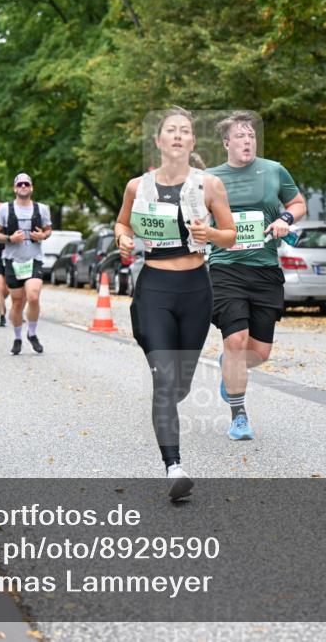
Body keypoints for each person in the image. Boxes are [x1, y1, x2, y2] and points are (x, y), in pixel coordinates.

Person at [114, 106, 235, 500]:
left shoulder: (210, 185)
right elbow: (122, 222)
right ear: (159, 141)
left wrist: (210, 232)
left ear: (193, 142)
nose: (179, 136)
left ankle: (171, 402)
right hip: (154, 289)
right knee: (165, 381)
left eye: (185, 131)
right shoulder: (138, 186)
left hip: (197, 289)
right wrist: (123, 238)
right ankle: (174, 467)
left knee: (179, 383)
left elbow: (231, 235)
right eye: (171, 130)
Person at [206, 111, 307, 441]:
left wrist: (286, 219)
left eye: (251, 135)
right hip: (225, 268)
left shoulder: (273, 170)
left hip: (264, 270)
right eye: (240, 136)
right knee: (236, 340)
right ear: (226, 143)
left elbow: (298, 202)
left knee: (259, 353)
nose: (247, 141)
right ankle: (238, 415)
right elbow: (193, 215)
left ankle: (229, 365)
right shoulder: (210, 178)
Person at [0, 173, 53, 354]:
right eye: (20, 184)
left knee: (33, 296)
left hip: (34, 259)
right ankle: (18, 337)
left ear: (31, 187)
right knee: (17, 302)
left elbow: (48, 229)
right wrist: (10, 238)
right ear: (15, 188)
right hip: (13, 261)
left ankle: (32, 333)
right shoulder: (4, 209)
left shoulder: (41, 209)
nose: (23, 186)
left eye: (27, 184)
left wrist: (42, 235)